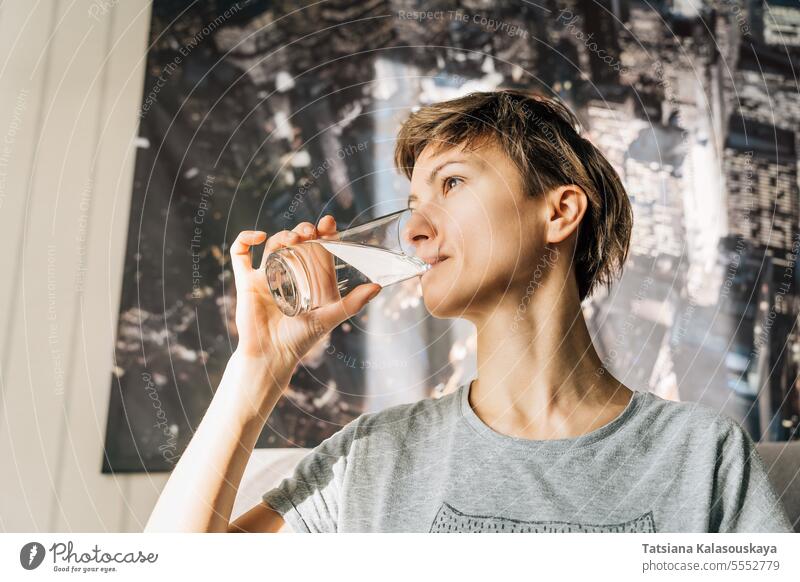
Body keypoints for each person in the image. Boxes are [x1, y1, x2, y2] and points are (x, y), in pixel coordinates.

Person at [145, 89, 793, 533]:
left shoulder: (701, 457)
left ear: (559, 211)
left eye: (452, 183)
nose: (412, 231)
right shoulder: (371, 457)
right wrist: (257, 369)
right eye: (412, 200)